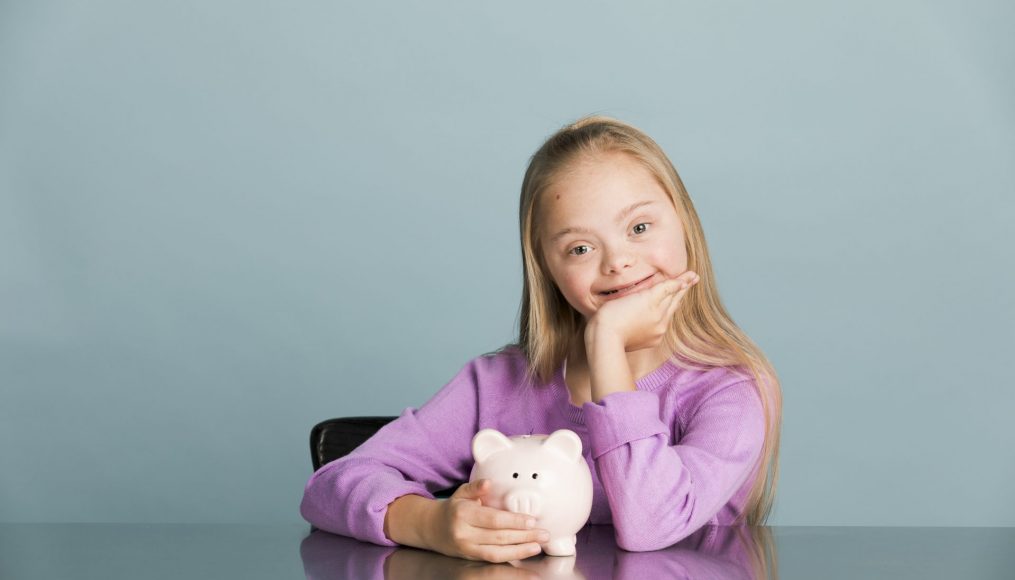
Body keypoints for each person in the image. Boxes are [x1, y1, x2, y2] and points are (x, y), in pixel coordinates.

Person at [300, 115, 782, 564]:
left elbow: (649, 525)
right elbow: (328, 487)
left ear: (685, 224)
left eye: (639, 227)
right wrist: (430, 522)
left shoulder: (730, 392)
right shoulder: (499, 385)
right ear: (548, 270)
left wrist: (607, 342)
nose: (617, 261)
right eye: (580, 248)